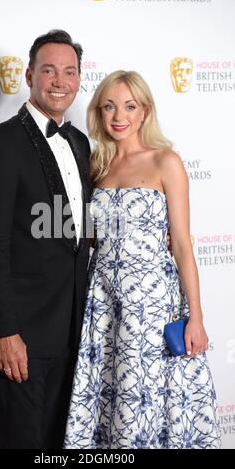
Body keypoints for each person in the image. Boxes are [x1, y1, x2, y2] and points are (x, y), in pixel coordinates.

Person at [64, 70, 221, 449]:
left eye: (130, 106)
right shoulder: (96, 167)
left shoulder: (165, 161)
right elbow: (89, 237)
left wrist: (196, 317)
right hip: (103, 302)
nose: (120, 116)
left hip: (152, 304)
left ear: (145, 111)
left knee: (147, 397)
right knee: (113, 396)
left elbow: (182, 243)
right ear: (98, 113)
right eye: (109, 106)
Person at [0, 30, 92, 449]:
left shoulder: (79, 143)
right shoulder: (0, 144)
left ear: (78, 78)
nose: (60, 81)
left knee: (63, 443)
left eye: (69, 71)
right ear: (29, 76)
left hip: (73, 327)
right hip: (22, 333)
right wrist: (4, 331)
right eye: (49, 70)